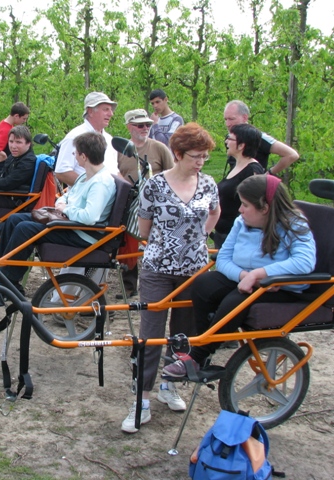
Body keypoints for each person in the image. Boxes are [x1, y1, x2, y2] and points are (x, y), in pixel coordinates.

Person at [163, 175, 316, 378]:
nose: (240, 210)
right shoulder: (241, 222)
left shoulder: (293, 224)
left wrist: (259, 274)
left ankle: (198, 355)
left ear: (265, 208)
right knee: (203, 284)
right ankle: (205, 340)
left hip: (282, 287)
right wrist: (245, 275)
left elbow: (305, 262)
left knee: (237, 299)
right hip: (247, 279)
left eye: (245, 205)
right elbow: (223, 258)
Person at [122, 123, 221, 433]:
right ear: (177, 154)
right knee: (150, 335)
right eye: (196, 156)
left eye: (205, 156)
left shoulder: (208, 184)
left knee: (183, 333)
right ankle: (142, 399)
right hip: (157, 269)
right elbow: (145, 226)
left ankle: (169, 385)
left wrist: (197, 238)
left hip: (194, 271)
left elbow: (214, 213)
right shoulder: (155, 185)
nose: (201, 161)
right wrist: (169, 244)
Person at [0, 132, 117, 294]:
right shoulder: (85, 177)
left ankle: (8, 280)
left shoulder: (100, 183)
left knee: (24, 229)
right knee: (14, 219)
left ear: (84, 156)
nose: (74, 155)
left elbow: (90, 217)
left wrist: (66, 209)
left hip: (83, 234)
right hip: (71, 223)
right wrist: (62, 205)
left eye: (76, 153)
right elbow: (66, 196)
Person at [116, 109, 174, 299]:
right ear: (129, 127)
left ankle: (165, 282)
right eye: (140, 125)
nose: (145, 128)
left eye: (148, 124)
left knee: (160, 242)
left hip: (157, 205)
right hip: (129, 203)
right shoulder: (121, 150)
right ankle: (129, 285)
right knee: (129, 244)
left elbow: (173, 175)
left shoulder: (159, 148)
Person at [212, 123, 265, 248]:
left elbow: (255, 206)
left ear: (241, 145)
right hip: (223, 234)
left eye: (230, 139)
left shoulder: (252, 170)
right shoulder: (236, 166)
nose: (226, 142)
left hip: (237, 238)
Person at [55, 92, 118, 187]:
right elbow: (62, 172)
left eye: (111, 110)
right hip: (85, 200)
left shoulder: (109, 139)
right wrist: (90, 188)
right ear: (90, 111)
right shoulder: (74, 137)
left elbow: (115, 171)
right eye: (106, 110)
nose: (111, 114)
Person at [223, 100, 299, 175]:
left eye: (231, 119)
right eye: (225, 119)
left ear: (245, 117)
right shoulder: (229, 138)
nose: (227, 124)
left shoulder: (260, 137)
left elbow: (292, 155)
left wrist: (269, 173)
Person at [0, 102, 30, 178]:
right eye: (24, 118)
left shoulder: (5, 123)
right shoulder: (6, 130)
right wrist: (3, 155)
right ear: (16, 116)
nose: (24, 121)